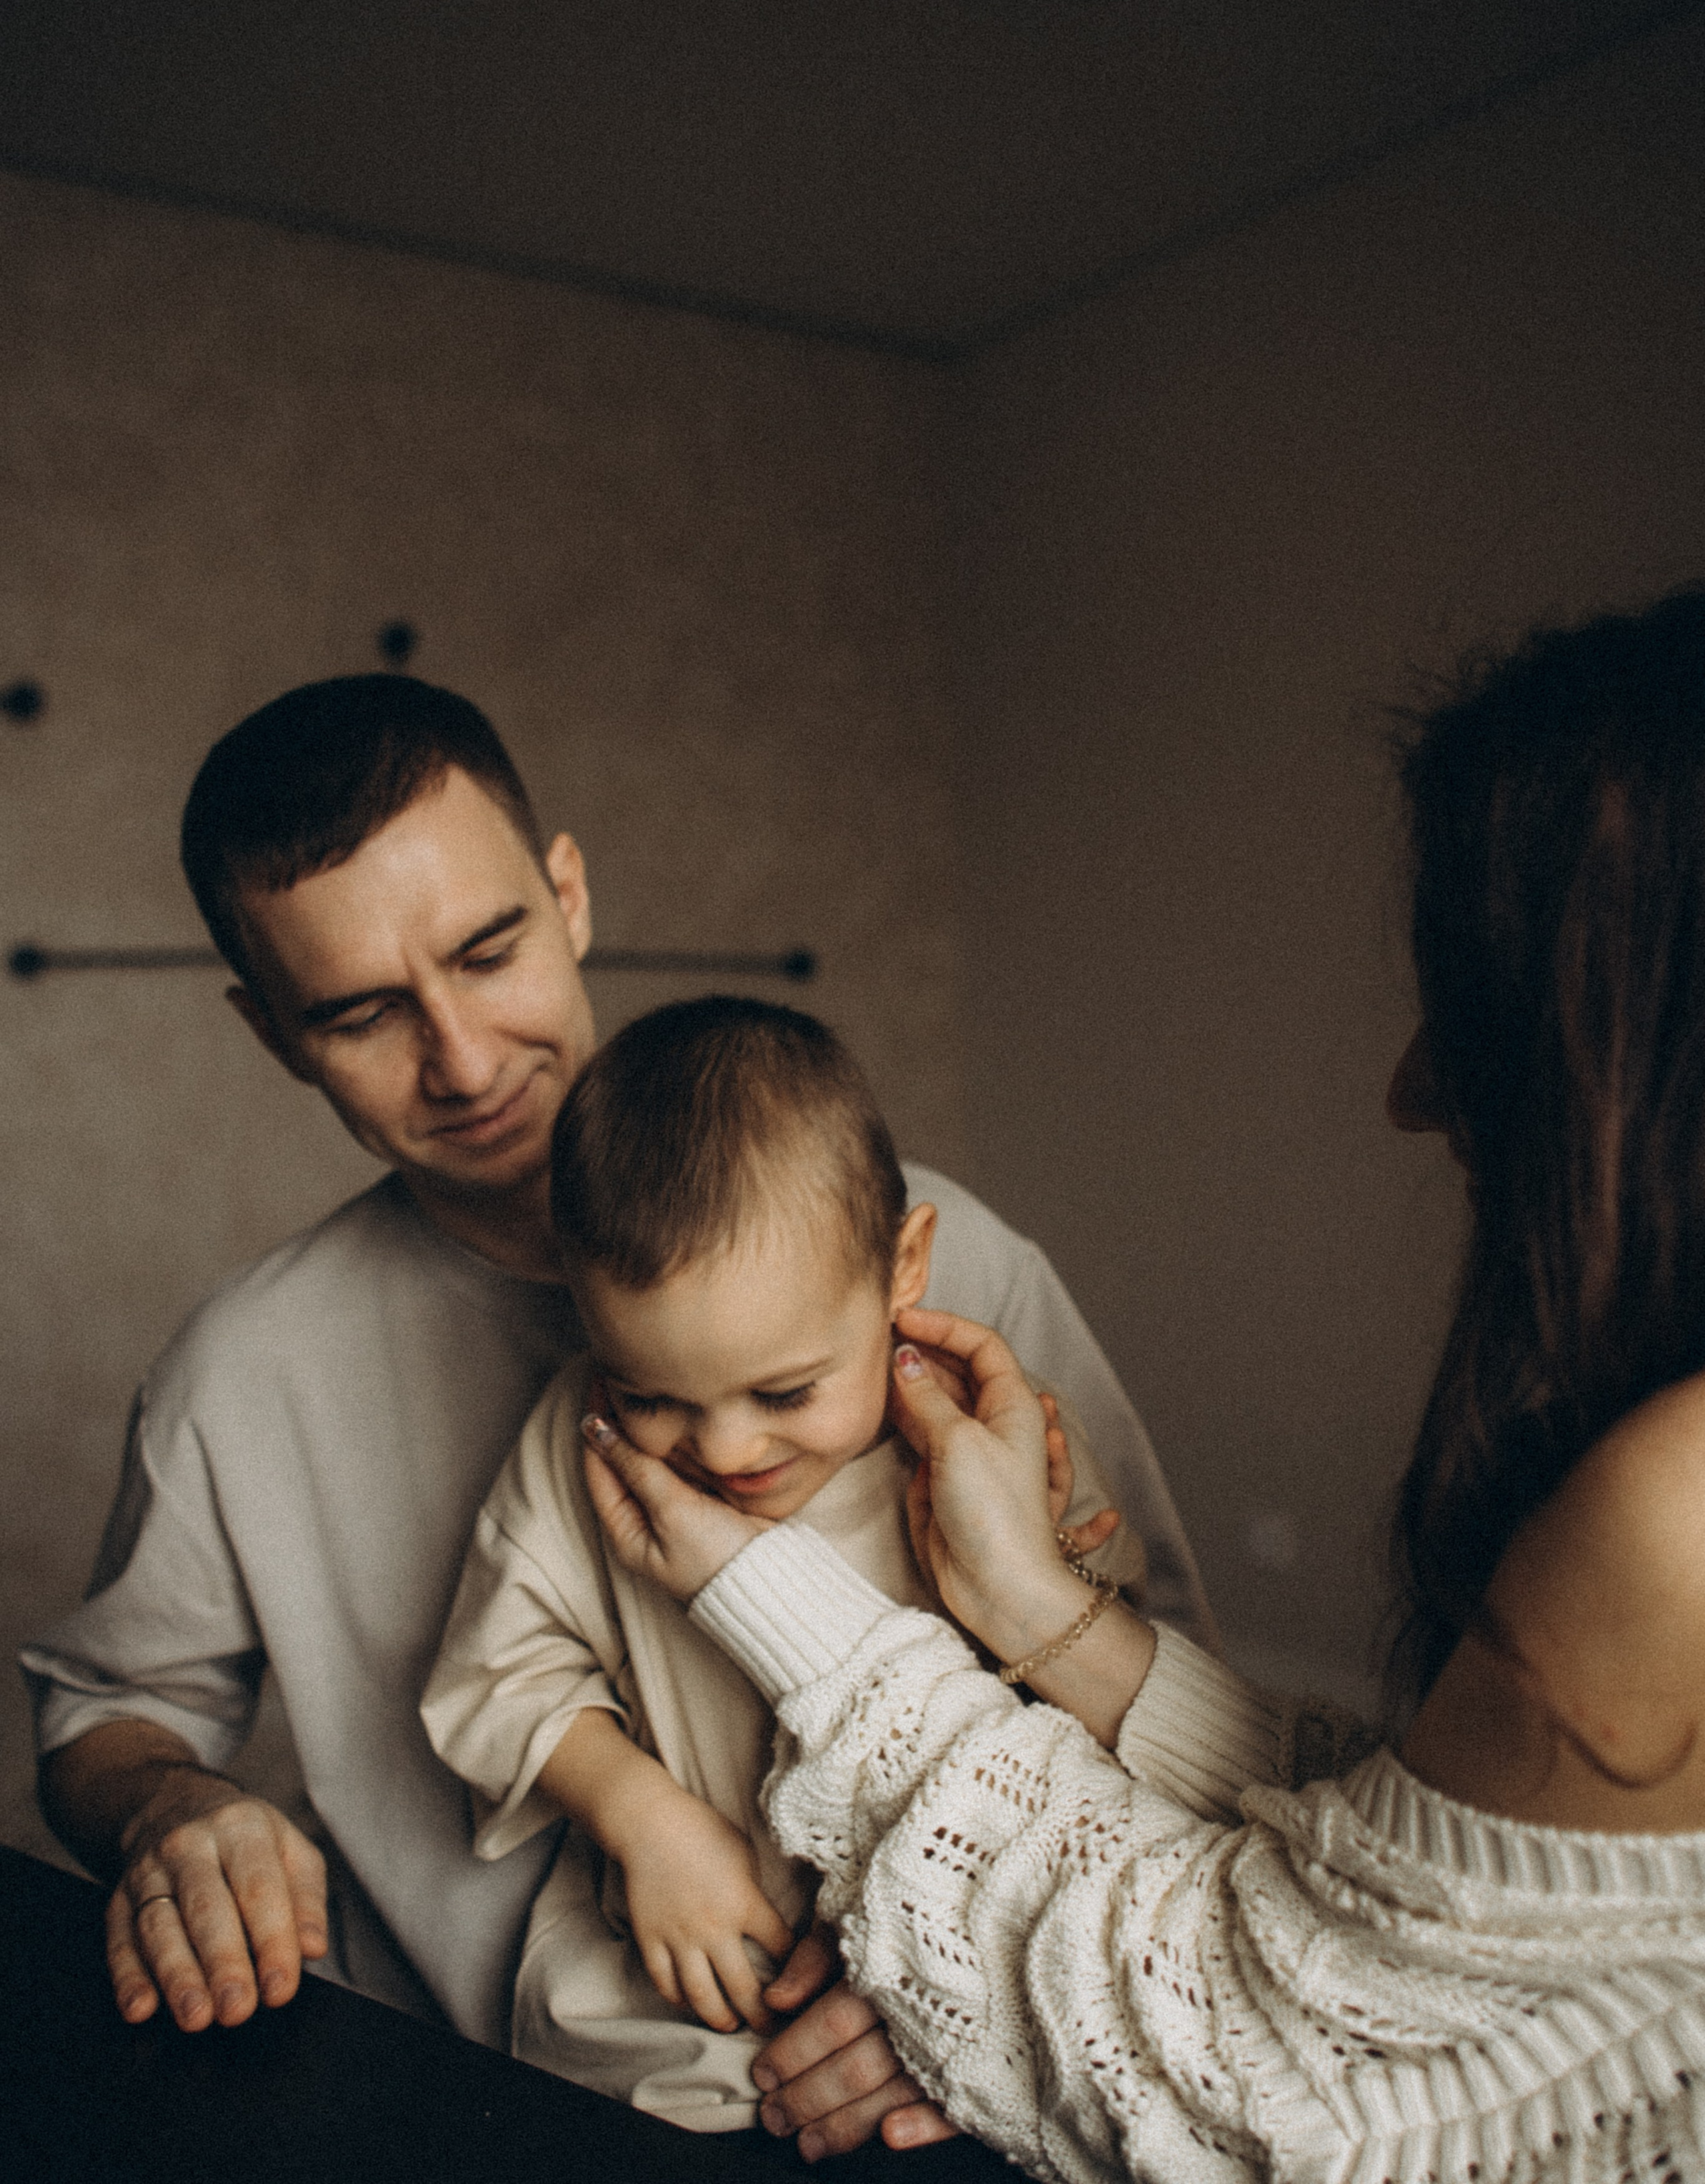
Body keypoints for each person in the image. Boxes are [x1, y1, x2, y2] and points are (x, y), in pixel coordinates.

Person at [575, 587, 1705, 2179]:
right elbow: (1436, 1912)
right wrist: (1048, 1620)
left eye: (1476, 1005)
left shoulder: (1678, 1510)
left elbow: (1269, 2081)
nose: (1412, 1086)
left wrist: (790, 1610)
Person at [19, 673, 1210, 2138]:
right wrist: (167, 1811)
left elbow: (1157, 1689)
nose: (460, 1062)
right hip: (493, 2095)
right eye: (361, 1015)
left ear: (567, 894)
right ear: (271, 1031)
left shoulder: (951, 1278)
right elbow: (109, 1712)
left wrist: (959, 1993)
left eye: (488, 950)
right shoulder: (236, 1378)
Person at [420, 995, 1136, 2130]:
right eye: (652, 1395)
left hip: (961, 1997)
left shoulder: (994, 1448)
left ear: (904, 1269)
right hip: (665, 2017)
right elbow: (497, 1678)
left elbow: (1116, 1692)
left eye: (786, 1391)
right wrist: (640, 1817)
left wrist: (1057, 1577)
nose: (725, 1450)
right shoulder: (578, 1449)